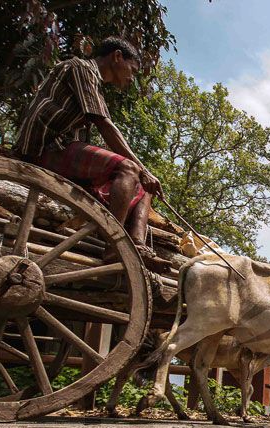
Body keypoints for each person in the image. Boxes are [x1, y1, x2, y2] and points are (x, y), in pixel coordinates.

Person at [14, 36, 170, 271]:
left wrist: (145, 176)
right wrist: (142, 169)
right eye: (133, 70)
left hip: (60, 149)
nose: (131, 78)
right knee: (130, 168)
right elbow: (104, 124)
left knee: (144, 184)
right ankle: (114, 246)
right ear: (117, 56)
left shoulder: (92, 83)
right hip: (43, 147)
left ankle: (137, 245)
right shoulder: (81, 68)